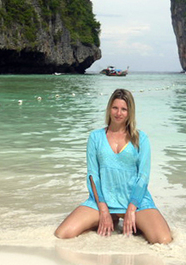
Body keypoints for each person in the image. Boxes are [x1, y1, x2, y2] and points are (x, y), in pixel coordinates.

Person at [55, 88, 172, 244]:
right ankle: (111, 218)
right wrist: (103, 209)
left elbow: (143, 176)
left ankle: (132, 222)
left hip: (135, 201)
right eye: (115, 108)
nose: (119, 113)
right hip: (103, 201)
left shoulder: (140, 138)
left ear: (130, 112)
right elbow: (92, 175)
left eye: (124, 109)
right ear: (109, 108)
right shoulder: (95, 137)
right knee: (63, 234)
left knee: (163, 240)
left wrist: (131, 209)